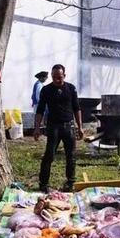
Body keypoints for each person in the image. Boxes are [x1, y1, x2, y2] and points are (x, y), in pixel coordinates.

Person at [34, 64, 84, 192]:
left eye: (59, 77)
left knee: (71, 155)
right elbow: (39, 110)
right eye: (54, 77)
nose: (56, 80)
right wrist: (37, 128)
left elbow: (77, 108)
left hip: (69, 127)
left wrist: (80, 127)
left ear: (64, 76)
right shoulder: (46, 90)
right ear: (51, 76)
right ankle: (43, 184)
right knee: (49, 155)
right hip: (53, 127)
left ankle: (70, 182)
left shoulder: (71, 88)